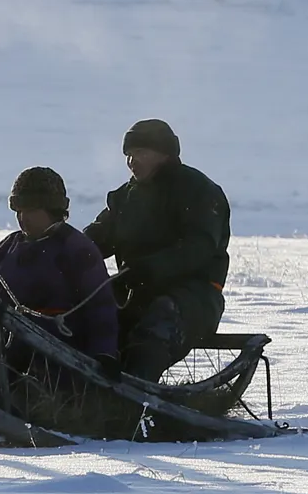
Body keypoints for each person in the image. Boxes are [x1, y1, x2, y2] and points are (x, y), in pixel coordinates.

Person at [84, 118, 230, 378]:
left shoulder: (198, 190)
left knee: (152, 332)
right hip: (136, 295)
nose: (132, 161)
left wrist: (149, 269)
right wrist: (64, 250)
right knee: (89, 322)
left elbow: (200, 246)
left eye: (140, 152)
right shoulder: (125, 198)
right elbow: (95, 239)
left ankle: (136, 403)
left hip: (194, 297)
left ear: (164, 154)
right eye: (128, 154)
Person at [0, 166, 118, 361]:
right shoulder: (9, 247)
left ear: (52, 210)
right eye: (19, 211)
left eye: (31, 210)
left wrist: (104, 353)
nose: (23, 218)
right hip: (7, 345)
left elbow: (101, 306)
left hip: (59, 354)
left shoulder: (76, 248)